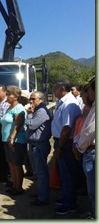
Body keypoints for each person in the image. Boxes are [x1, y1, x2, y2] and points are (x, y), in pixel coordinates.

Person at [51, 77, 82, 215]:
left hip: (66, 143)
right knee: (64, 173)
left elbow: (67, 128)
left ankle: (70, 204)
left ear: (62, 89)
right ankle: (66, 198)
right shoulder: (63, 102)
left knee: (68, 174)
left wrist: (59, 147)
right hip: (62, 141)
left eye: (55, 88)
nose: (53, 91)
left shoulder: (69, 103)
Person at [73, 79, 95, 219]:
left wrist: (78, 147)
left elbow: (89, 131)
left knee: (93, 190)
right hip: (89, 149)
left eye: (87, 92)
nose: (87, 95)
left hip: (91, 150)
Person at [25, 91, 52, 205]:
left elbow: (31, 125)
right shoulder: (38, 110)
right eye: (30, 99)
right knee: (38, 172)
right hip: (35, 144)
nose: (30, 101)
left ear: (41, 100)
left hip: (39, 145)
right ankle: (41, 193)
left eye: (33, 99)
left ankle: (43, 197)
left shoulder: (41, 111)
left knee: (41, 173)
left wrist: (29, 114)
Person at [0, 86, 27, 196]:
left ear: (15, 97)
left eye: (8, 94)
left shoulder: (19, 108)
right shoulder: (10, 107)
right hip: (6, 140)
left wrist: (12, 138)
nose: (7, 97)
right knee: (11, 164)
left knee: (16, 164)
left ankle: (19, 187)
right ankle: (14, 185)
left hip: (16, 141)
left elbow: (18, 125)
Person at [0, 84, 10, 183]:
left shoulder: (8, 104)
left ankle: (8, 175)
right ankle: (1, 174)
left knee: (6, 155)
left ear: (5, 92)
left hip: (5, 132)